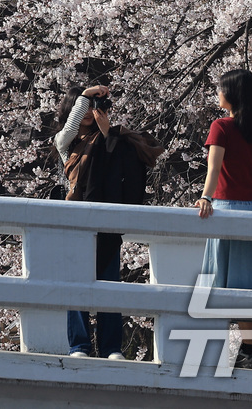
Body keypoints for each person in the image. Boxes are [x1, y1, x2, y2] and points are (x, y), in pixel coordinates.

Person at [54, 83, 160, 359]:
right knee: (75, 283)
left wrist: (106, 132)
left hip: (106, 219)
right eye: (84, 106)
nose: (89, 111)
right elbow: (73, 123)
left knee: (109, 283)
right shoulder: (66, 142)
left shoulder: (111, 137)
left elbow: (119, 170)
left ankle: (111, 347)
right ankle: (79, 345)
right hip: (76, 219)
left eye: (94, 107)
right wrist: (87, 94)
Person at [193, 67, 252, 372]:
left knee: (243, 283)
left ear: (231, 94)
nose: (218, 94)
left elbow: (214, 169)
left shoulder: (220, 127)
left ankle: (248, 350)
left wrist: (206, 197)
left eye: (220, 89)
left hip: (229, 208)